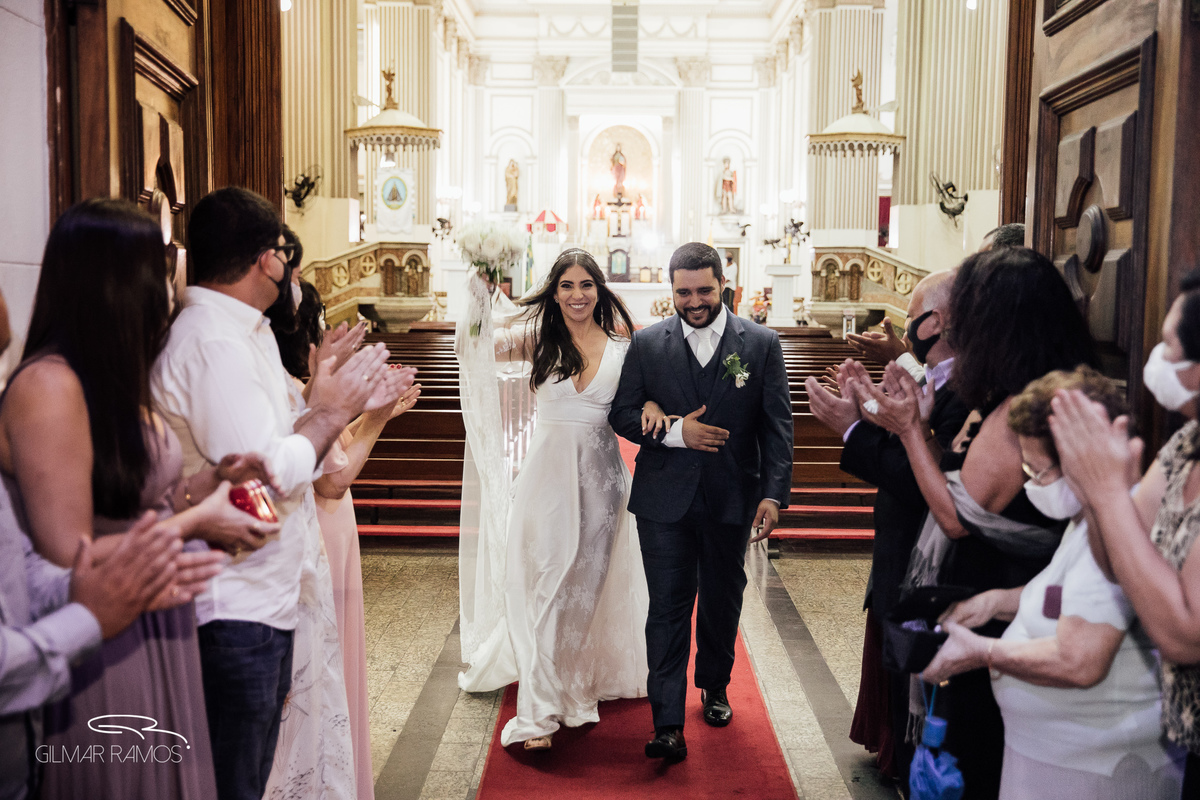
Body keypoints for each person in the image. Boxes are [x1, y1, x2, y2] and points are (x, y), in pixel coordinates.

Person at [0, 199, 287, 798]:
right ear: (117, 280)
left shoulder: (109, 376)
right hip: (103, 645)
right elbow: (71, 563)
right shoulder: (48, 386)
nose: (170, 283)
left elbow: (133, 501)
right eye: (160, 266)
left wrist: (202, 486)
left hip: (157, 618)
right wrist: (197, 523)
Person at [152, 187, 410, 800]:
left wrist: (324, 401)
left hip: (267, 591)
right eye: (284, 253)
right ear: (268, 259)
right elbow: (258, 481)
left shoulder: (247, 333)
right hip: (234, 600)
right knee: (237, 779)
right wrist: (328, 416)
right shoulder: (214, 342)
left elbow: (272, 448)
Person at [851, 247, 1098, 798]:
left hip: (1000, 596)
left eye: (966, 317)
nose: (955, 331)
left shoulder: (1024, 408)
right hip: (1010, 593)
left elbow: (956, 516)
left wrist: (912, 428)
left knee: (975, 757)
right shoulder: (1038, 387)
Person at [922, 365, 1184, 799]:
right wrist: (992, 603)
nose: (1031, 484)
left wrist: (984, 651)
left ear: (1079, 458)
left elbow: (1080, 659)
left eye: (1039, 471)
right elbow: (1065, 596)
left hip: (1096, 765)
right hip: (1057, 756)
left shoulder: (1122, 527)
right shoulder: (1087, 519)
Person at [456, 249, 653, 751]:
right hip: (546, 479)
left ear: (600, 290)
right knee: (544, 582)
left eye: (586, 284)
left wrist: (652, 403)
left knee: (583, 588)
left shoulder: (624, 346)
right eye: (566, 285)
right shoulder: (535, 339)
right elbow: (474, 348)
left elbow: (644, 396)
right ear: (554, 291)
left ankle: (566, 678)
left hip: (603, 482)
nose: (577, 295)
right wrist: (479, 293)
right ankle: (539, 711)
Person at [608, 242, 794, 763]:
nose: (694, 301)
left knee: (721, 598)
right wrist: (674, 432)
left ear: (722, 283)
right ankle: (667, 721)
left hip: (732, 495)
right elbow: (622, 415)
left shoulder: (759, 343)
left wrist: (774, 495)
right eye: (684, 292)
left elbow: (777, 426)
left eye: (704, 290)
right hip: (664, 499)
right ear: (671, 291)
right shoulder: (646, 344)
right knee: (667, 608)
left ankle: (714, 685)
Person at [807, 269, 970, 783]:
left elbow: (920, 475)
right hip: (905, 553)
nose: (906, 330)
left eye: (912, 318)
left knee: (918, 714)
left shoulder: (966, 391)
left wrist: (854, 426)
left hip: (927, 561)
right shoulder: (944, 382)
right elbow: (908, 439)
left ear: (936, 322)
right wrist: (868, 406)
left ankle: (912, 773)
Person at [1047, 267, 1200, 794]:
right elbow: (1118, 559)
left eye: (1168, 345)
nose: (1157, 359)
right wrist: (1092, 491)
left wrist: (1109, 495)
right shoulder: (1186, 445)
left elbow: (1184, 635)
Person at [270, 279, 419, 799]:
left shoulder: (291, 383)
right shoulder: (291, 384)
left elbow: (332, 443)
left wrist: (371, 415)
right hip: (322, 527)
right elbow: (333, 478)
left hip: (325, 523)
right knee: (327, 663)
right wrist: (376, 417)